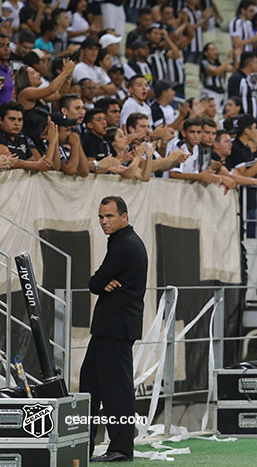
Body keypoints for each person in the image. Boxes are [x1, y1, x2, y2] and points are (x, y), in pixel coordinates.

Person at [80, 196, 147, 463]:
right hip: (108, 329)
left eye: (109, 216)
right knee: (90, 385)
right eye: (101, 217)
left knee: (116, 390)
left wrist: (100, 282)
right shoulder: (122, 242)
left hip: (116, 329)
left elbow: (96, 283)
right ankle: (83, 444)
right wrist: (101, 281)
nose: (104, 222)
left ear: (124, 217)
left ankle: (121, 447)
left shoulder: (124, 245)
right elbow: (100, 282)